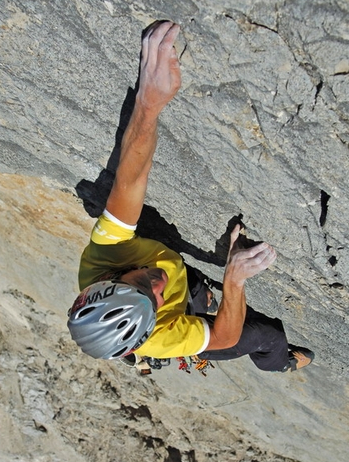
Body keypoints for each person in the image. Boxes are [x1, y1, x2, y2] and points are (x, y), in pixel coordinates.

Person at [68, 21, 314, 373]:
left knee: (191, 284)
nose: (157, 284)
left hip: (183, 295)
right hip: (186, 329)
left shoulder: (103, 256)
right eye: (154, 299)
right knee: (269, 335)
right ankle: (282, 364)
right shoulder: (161, 336)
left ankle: (202, 300)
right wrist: (234, 279)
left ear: (108, 280)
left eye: (139, 282)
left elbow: (130, 179)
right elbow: (225, 338)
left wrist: (148, 102)